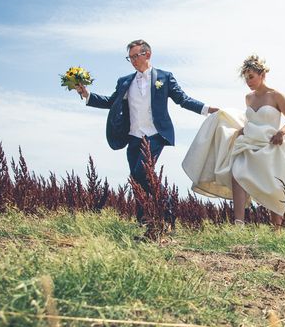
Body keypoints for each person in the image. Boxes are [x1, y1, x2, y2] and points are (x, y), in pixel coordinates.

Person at [74, 39, 218, 218]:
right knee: (136, 180)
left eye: (136, 56)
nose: (133, 60)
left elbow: (183, 99)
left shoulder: (164, 77)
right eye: (130, 58)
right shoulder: (124, 81)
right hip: (133, 136)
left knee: (141, 172)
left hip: (156, 135)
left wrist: (207, 109)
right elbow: (111, 102)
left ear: (147, 54)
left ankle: (168, 208)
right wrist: (86, 94)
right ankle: (145, 222)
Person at [182, 54, 285, 228]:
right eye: (246, 78)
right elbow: (251, 120)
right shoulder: (248, 98)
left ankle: (277, 229)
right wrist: (241, 130)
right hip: (249, 143)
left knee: (274, 186)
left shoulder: (276, 96)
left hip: (272, 144)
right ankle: (239, 225)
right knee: (238, 174)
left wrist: (282, 132)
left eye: (251, 77)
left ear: (262, 74)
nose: (248, 81)